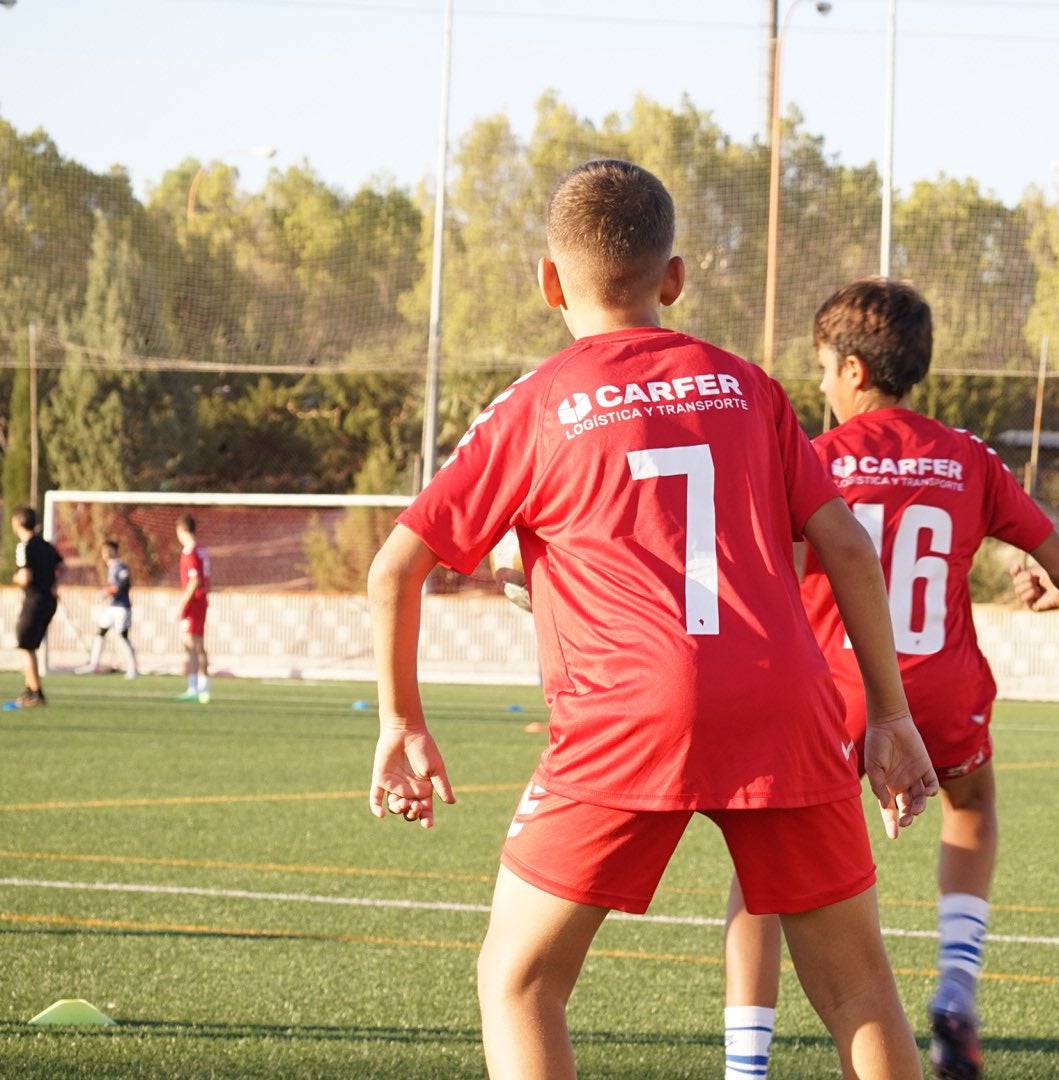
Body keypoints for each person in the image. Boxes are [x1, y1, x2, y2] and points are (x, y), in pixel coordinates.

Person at [367, 159, 940, 1080]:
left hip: (630, 712)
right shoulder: (746, 387)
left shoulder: (536, 406)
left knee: (519, 982)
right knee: (858, 990)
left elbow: (396, 567)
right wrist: (890, 715)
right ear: (672, 280)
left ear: (549, 282)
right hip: (785, 703)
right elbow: (846, 549)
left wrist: (402, 723)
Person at [722, 279, 1059, 1080]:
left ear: (853, 369)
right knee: (975, 805)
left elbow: (775, 583)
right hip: (941, 687)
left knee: (764, 872)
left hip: (835, 692)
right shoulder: (966, 457)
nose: (817, 385)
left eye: (821, 367)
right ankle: (956, 987)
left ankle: (745, 1068)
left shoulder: (812, 459)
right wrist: (1051, 587)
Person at [9, 505, 64, 709]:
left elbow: (25, 577)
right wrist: (54, 584)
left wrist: (14, 577)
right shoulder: (47, 546)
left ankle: (35, 693)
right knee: (29, 646)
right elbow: (62, 566)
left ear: (17, 523)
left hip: (34, 600)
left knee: (26, 646)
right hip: (49, 601)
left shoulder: (25, 546)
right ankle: (29, 689)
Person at [85, 539, 139, 679]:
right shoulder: (111, 567)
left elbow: (123, 584)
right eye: (104, 551)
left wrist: (106, 592)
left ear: (115, 551)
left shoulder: (121, 566)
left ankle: (133, 668)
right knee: (101, 631)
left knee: (122, 637)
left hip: (122, 608)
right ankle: (93, 665)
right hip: (112, 607)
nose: (105, 554)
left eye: (108, 550)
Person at [174, 514, 212, 703]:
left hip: (194, 601)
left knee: (191, 645)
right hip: (202, 600)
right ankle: (203, 688)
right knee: (198, 645)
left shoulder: (189, 552)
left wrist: (182, 604)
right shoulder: (202, 550)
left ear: (181, 530)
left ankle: (194, 687)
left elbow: (195, 579)